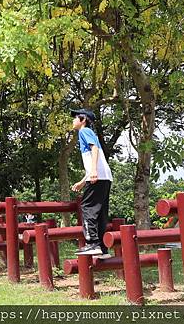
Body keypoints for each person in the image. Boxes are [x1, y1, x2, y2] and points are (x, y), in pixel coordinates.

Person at [70, 109, 113, 258]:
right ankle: (101, 248)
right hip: (105, 177)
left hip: (98, 176)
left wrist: (93, 171)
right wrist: (83, 181)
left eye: (75, 117)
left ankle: (92, 243)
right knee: (100, 212)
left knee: (87, 208)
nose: (73, 120)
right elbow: (94, 159)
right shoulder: (88, 132)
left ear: (83, 119)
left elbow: (94, 150)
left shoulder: (84, 131)